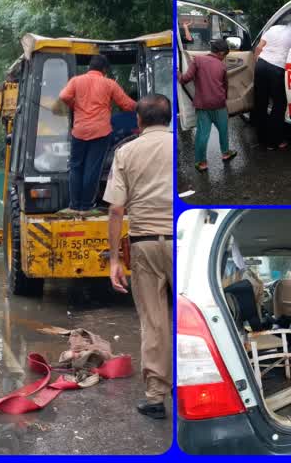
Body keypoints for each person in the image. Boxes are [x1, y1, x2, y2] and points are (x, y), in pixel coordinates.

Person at [104, 94, 173, 419]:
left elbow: (116, 208)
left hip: (144, 243)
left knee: (154, 322)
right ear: (170, 119)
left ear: (139, 122)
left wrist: (115, 260)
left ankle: (156, 397)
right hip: (182, 240)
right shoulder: (180, 148)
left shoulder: (126, 152)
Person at [58, 54, 137, 215]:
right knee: (92, 169)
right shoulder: (109, 84)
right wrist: (144, 106)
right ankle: (86, 206)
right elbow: (126, 104)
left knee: (76, 167)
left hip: (79, 131)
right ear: (104, 69)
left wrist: (75, 105)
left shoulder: (76, 81)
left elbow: (63, 96)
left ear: (89, 68)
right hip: (100, 132)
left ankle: (74, 205)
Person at [178, 39, 234, 171]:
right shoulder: (222, 66)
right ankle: (225, 153)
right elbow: (225, 86)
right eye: (224, 55)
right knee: (223, 130)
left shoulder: (197, 60)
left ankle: (201, 162)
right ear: (220, 53)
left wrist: (178, 74)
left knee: (203, 134)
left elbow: (185, 79)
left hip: (203, 105)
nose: (224, 58)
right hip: (219, 104)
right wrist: (224, 99)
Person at [251, 15, 291, 150]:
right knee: (279, 105)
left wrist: (256, 63)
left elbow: (259, 48)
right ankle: (274, 141)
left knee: (261, 103)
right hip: (277, 68)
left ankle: (261, 138)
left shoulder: (273, 28)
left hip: (261, 64)